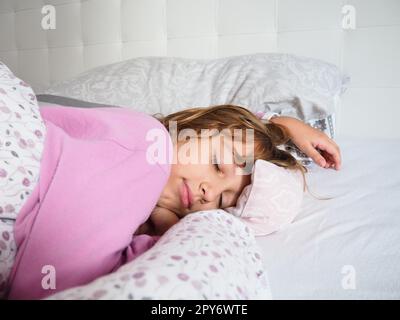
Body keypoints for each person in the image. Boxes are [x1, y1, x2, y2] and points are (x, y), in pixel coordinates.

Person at [135, 104, 341, 236]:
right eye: (217, 164)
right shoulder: (138, 133)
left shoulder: (159, 229)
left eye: (222, 201)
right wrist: (284, 125)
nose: (211, 193)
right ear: (192, 128)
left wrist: (165, 223)